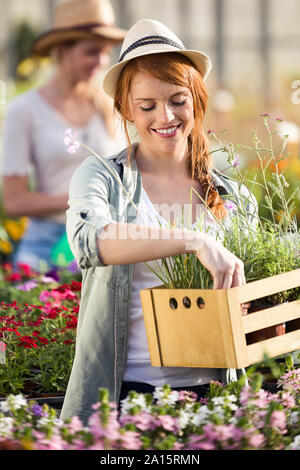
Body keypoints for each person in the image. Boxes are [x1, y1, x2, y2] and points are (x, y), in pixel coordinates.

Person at [60, 19, 257, 424]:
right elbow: (90, 239)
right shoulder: (103, 177)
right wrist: (193, 241)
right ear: (125, 109)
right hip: (128, 394)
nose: (164, 116)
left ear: (197, 100)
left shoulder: (233, 195)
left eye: (178, 100)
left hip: (217, 394)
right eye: (147, 106)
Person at [1, 0, 126, 271]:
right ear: (61, 50)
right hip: (46, 247)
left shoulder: (109, 104)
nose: (102, 61)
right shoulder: (24, 110)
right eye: (91, 51)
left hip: (104, 243)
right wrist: (83, 201)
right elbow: (13, 200)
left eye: (105, 52)